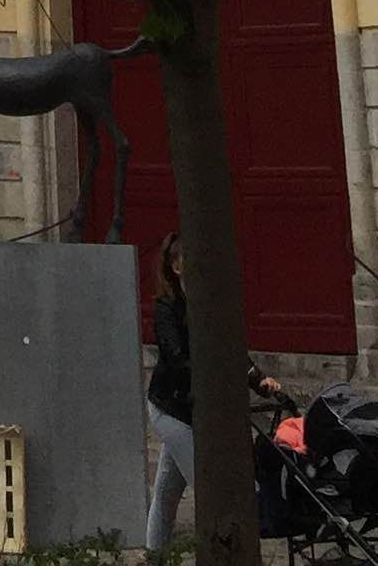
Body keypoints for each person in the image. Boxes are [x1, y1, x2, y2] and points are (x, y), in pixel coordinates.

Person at [144, 232, 281, 555]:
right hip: (171, 408)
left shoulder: (211, 302)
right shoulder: (167, 307)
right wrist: (220, 377)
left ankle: (155, 554)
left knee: (166, 491)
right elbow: (175, 356)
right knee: (209, 490)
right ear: (177, 267)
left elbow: (231, 349)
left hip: (198, 408)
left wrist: (259, 380)